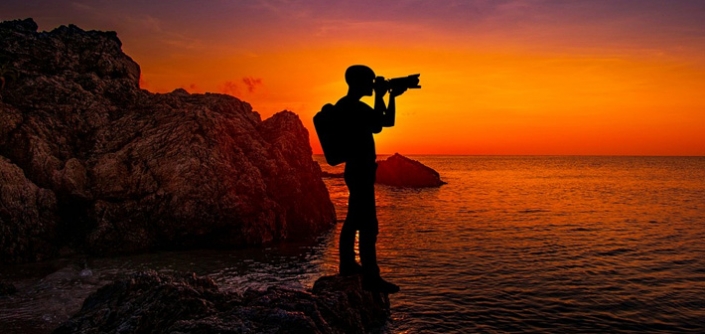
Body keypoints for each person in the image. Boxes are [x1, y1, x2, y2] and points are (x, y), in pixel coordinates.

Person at [336, 65, 406, 294]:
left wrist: (391, 97)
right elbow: (379, 124)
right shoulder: (352, 107)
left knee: (354, 220)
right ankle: (370, 277)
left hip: (358, 170)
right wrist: (381, 96)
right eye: (370, 81)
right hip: (360, 171)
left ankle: (348, 265)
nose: (373, 84)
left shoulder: (348, 106)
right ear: (358, 83)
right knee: (368, 225)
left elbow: (386, 122)